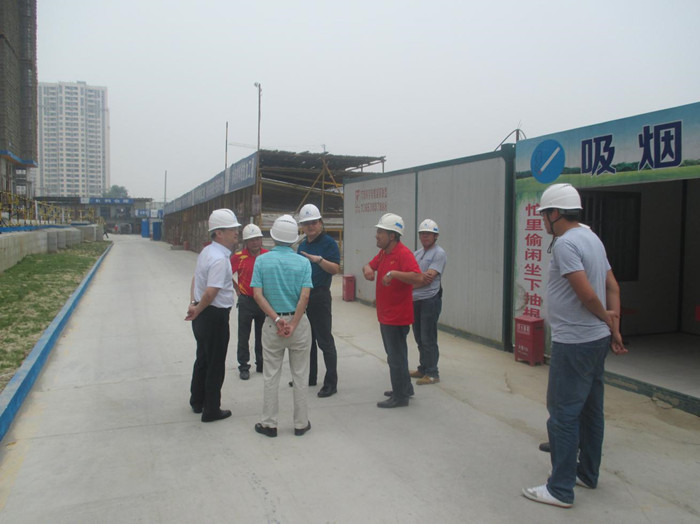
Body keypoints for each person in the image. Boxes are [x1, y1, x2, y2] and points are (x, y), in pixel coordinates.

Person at [522, 183, 627, 508]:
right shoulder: (592, 238)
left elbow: (587, 294)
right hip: (595, 340)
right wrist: (613, 326)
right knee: (591, 411)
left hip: (575, 341)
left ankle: (560, 489)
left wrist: (605, 317)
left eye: (544, 214)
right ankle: (587, 473)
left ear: (555, 213)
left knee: (563, 415)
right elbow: (612, 286)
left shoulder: (566, 243)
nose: (542, 220)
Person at [250, 215, 313, 437]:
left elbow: (257, 295)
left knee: (271, 375)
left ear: (273, 237)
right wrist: (293, 324)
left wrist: (277, 320)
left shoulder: (261, 261)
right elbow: (304, 297)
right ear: (294, 239)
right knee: (300, 375)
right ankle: (300, 424)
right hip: (299, 324)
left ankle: (269, 424)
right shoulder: (303, 263)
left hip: (272, 325)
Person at [185, 208, 241, 423]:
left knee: (203, 358)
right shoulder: (219, 259)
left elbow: (196, 280)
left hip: (203, 314)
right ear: (219, 233)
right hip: (214, 315)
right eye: (232, 229)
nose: (236, 232)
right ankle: (211, 409)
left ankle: (197, 400)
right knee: (215, 363)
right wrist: (198, 308)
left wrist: (193, 305)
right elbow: (210, 292)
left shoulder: (207, 252)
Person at [362, 213, 423, 408]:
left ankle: (400, 397)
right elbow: (368, 265)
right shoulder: (383, 253)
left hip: (397, 316)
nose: (377, 235)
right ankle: (405, 388)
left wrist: (394, 273)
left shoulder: (403, 254)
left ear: (393, 235)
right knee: (397, 354)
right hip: (386, 314)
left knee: (395, 357)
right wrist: (368, 269)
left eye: (380, 231)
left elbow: (418, 277)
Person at [297, 203, 341, 397]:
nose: (310, 226)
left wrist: (319, 260)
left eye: (314, 222)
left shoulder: (329, 243)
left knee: (324, 341)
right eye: (306, 223)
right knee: (307, 340)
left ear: (321, 223)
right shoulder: (302, 245)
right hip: (303, 296)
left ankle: (331, 383)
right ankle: (310, 376)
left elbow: (336, 269)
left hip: (320, 296)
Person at [410, 219, 447, 385]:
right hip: (416, 300)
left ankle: (432, 373)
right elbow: (412, 274)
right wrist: (414, 280)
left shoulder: (439, 253)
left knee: (428, 337)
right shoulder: (417, 254)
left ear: (435, 236)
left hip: (430, 300)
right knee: (419, 336)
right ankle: (423, 368)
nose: (425, 236)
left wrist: (408, 286)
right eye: (422, 234)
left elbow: (428, 279)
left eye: (428, 234)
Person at [231, 223, 269, 380]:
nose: (255, 242)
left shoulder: (267, 255)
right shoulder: (238, 257)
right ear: (246, 242)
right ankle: (244, 366)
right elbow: (226, 273)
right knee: (243, 336)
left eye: (257, 239)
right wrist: (237, 289)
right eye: (252, 240)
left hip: (263, 301)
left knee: (262, 335)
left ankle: (261, 363)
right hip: (246, 301)